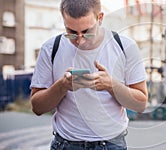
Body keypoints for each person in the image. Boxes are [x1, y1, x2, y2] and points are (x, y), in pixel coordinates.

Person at [30, 0, 148, 149]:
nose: (80, 40)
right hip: (66, 144)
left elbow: (141, 105)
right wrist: (62, 86)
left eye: (86, 32)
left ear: (100, 18)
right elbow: (37, 108)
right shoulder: (50, 48)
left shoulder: (125, 46)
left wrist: (111, 85)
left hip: (111, 144)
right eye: (71, 32)